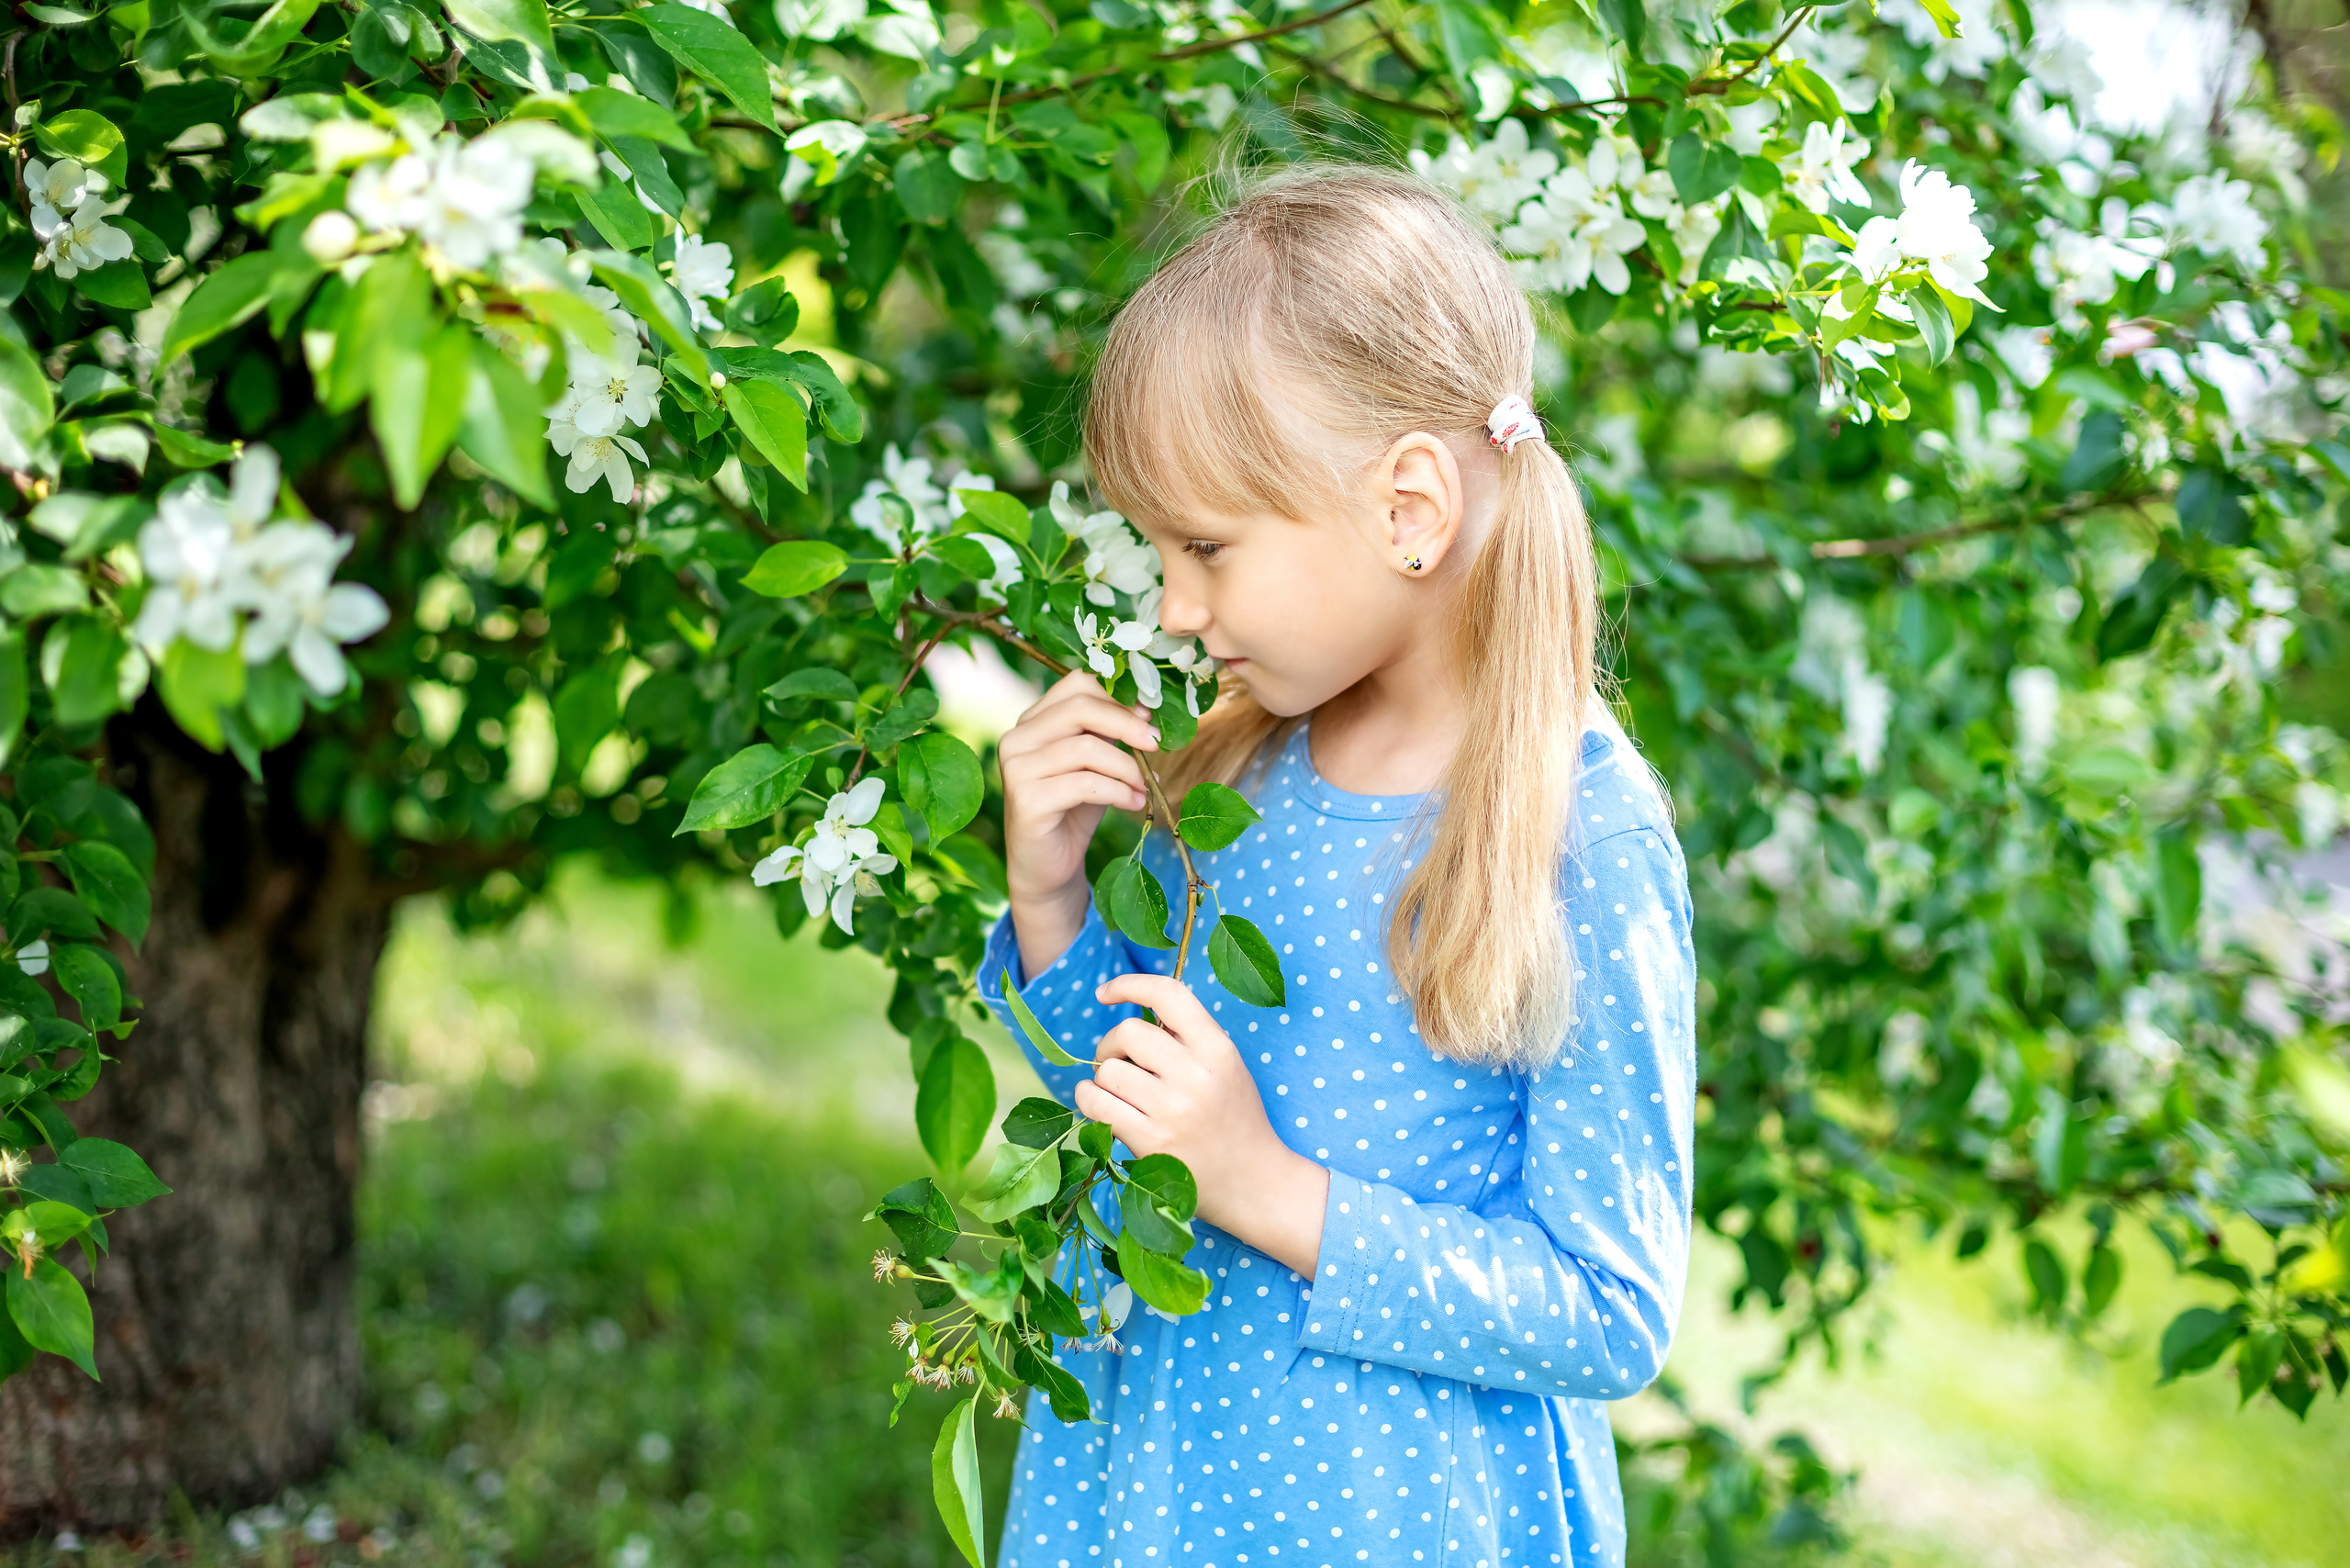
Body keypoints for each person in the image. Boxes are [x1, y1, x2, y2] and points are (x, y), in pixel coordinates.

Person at [977, 162, 1697, 1568]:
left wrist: (1267, 1187)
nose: (1176, 611)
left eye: (1205, 547)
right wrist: (1053, 895)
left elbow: (1608, 1307)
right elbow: (1136, 1110)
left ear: (1411, 507)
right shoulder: (1248, 763)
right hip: (1161, 1479)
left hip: (1392, 1517)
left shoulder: (1578, 838)